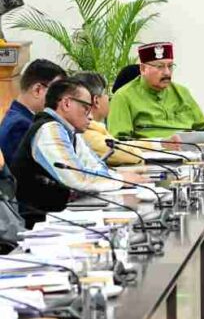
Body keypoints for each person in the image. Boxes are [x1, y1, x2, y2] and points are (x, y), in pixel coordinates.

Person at [10, 78, 148, 227]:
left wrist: (119, 178)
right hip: (39, 223)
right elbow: (78, 179)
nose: (90, 116)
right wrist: (120, 180)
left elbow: (96, 166)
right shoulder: (49, 129)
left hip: (62, 215)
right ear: (66, 103)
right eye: (86, 108)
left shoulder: (70, 131)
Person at [108, 42, 204, 139]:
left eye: (170, 66)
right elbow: (120, 143)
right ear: (143, 69)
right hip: (149, 151)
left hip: (191, 149)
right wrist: (159, 145)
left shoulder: (182, 92)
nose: (167, 72)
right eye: (160, 67)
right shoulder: (123, 97)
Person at [73, 72, 163, 166]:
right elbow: (124, 153)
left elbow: (120, 145)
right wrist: (138, 151)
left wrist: (160, 144)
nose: (109, 98)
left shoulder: (93, 129)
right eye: (106, 94)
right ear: (96, 101)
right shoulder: (84, 132)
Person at [0, 59, 66, 160]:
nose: (59, 101)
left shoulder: (15, 116)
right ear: (37, 90)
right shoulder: (21, 125)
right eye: (57, 94)